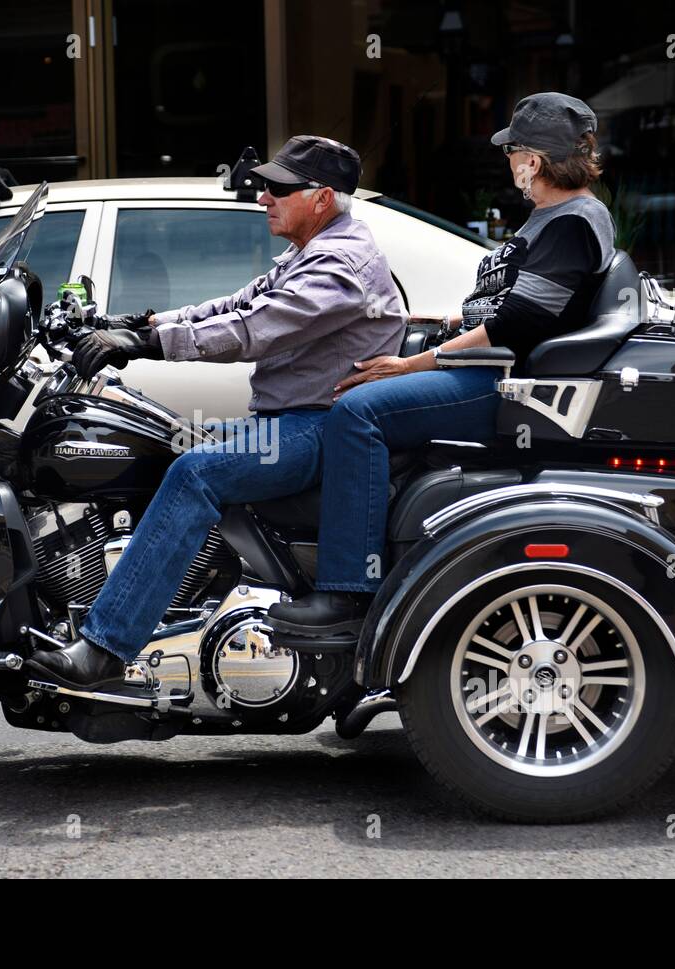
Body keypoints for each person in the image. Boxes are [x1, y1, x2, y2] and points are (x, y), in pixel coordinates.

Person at [27, 135, 408, 689]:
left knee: (194, 471)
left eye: (279, 188)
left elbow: (253, 329)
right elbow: (235, 304)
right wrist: (144, 323)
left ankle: (105, 646)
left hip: (316, 428)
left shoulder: (342, 263)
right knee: (162, 441)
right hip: (287, 421)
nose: (263, 198)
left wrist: (144, 348)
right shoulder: (315, 249)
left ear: (323, 198)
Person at [268, 92, 616, 637]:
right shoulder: (553, 217)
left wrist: (415, 365)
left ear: (535, 160)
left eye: (513, 152)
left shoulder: (572, 221)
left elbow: (520, 323)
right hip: (489, 368)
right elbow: (503, 310)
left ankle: (345, 592)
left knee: (358, 413)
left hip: (502, 382)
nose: (506, 161)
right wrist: (438, 327)